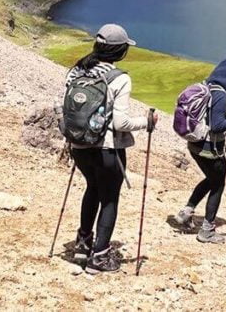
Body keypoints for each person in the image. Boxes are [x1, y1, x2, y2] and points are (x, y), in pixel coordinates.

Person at [67, 23, 158, 274]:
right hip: (107, 149)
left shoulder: (76, 71)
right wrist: (146, 122)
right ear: (120, 51)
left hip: (79, 145)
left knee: (92, 189)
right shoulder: (119, 78)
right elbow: (121, 123)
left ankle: (82, 246)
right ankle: (100, 256)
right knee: (109, 199)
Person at [174, 56, 226, 244]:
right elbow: (218, 126)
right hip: (210, 149)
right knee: (218, 184)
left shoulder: (207, 86)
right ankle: (207, 230)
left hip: (195, 145)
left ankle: (186, 212)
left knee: (211, 179)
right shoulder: (221, 95)